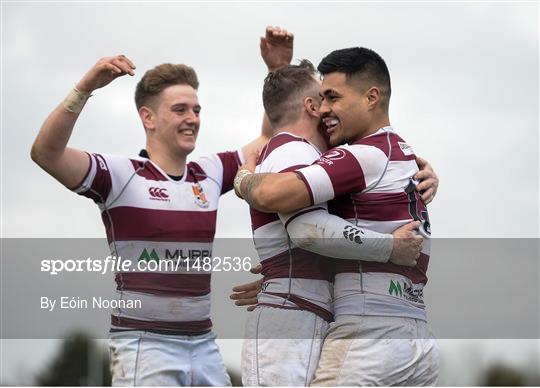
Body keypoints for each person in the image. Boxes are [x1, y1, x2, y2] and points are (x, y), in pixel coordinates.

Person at [31, 53, 272, 385]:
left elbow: (268, 141)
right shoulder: (120, 174)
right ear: (148, 117)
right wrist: (86, 87)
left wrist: (277, 70)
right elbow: (46, 153)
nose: (192, 118)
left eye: (197, 110)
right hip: (143, 345)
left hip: (203, 343)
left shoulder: (211, 172)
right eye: (180, 110)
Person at [235, 47, 440, 386]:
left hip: (369, 336)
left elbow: (281, 202)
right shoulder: (401, 153)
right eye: (320, 98)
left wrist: (243, 179)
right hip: (417, 337)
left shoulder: (360, 155)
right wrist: (291, 272)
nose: (324, 109)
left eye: (332, 97)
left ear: (371, 97)